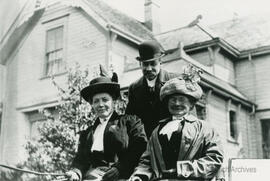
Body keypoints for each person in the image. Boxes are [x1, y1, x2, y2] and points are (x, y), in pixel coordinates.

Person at [130, 67, 224, 181]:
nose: (177, 103)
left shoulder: (205, 129)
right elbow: (147, 161)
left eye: (181, 99)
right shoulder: (158, 131)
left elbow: (214, 160)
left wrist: (181, 170)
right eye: (173, 99)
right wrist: (139, 175)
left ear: (191, 103)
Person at [66, 70, 147, 181]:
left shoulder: (130, 123)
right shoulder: (87, 133)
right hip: (92, 176)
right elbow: (81, 160)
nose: (100, 105)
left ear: (113, 101)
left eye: (105, 100)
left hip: (124, 175)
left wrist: (120, 168)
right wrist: (76, 173)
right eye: (96, 101)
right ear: (92, 104)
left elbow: (139, 148)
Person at [126, 40, 179, 138]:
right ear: (140, 65)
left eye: (153, 64)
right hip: (147, 145)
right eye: (145, 64)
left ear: (160, 62)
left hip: (172, 140)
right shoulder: (134, 88)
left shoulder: (175, 81)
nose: (149, 68)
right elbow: (131, 120)